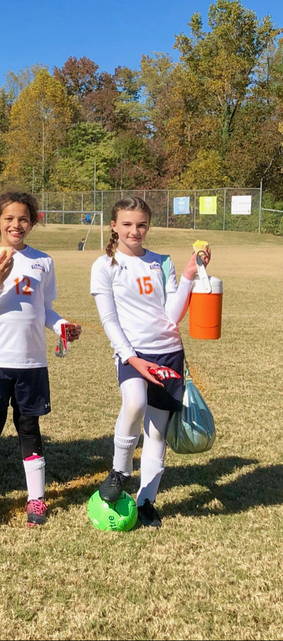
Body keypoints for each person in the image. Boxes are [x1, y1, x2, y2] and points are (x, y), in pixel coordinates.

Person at [0, 192, 81, 527]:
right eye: (9, 218)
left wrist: (61, 326)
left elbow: (45, 310)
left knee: (29, 427)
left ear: (32, 222)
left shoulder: (43, 261)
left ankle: (37, 499)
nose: (16, 225)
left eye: (23, 219)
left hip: (32, 362)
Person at [91, 197, 207, 528]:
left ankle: (146, 502)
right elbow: (109, 319)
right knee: (134, 403)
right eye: (127, 224)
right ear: (114, 226)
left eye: (141, 224)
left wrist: (188, 275)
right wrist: (131, 357)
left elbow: (172, 316)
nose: (134, 231)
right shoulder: (105, 265)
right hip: (132, 352)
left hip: (168, 352)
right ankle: (119, 472)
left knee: (156, 431)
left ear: (148, 226)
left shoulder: (162, 262)